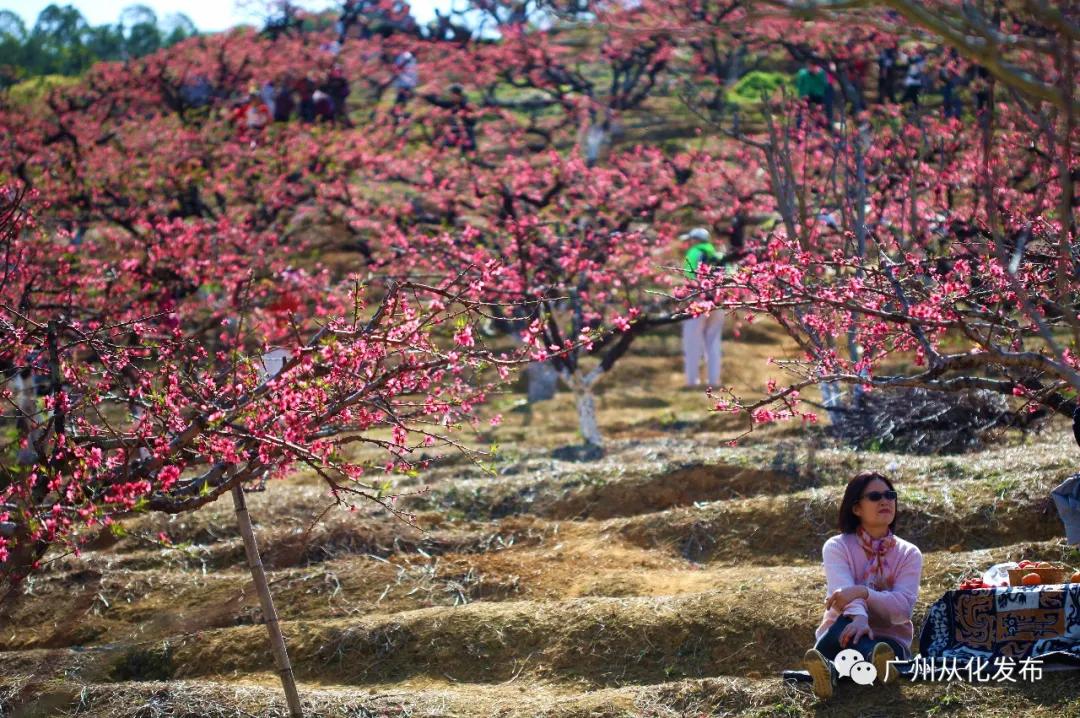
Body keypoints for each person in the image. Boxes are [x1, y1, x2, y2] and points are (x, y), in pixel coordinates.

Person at [802, 472, 923, 700]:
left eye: (890, 495)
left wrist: (863, 592)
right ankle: (869, 663)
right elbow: (842, 593)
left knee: (882, 649)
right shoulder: (837, 547)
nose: (885, 501)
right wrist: (859, 617)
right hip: (842, 633)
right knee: (846, 626)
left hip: (889, 639)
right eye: (875, 496)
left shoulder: (909, 554)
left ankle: (836, 668)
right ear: (856, 508)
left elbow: (902, 610)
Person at [680, 227, 726, 388]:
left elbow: (689, 278)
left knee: (692, 342)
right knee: (713, 342)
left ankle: (692, 381)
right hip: (718, 302)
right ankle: (714, 381)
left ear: (695, 240)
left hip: (698, 302)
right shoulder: (719, 256)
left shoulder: (694, 253)